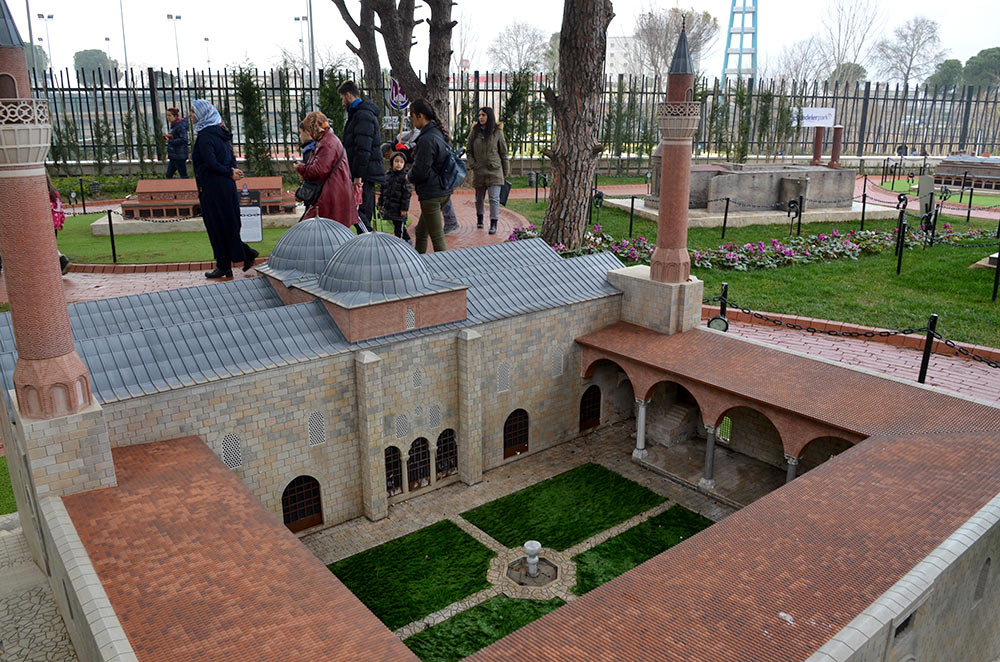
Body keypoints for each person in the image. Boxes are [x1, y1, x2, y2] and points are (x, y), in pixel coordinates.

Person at [190, 99, 258, 279]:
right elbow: (230, 159)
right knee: (227, 225)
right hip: (226, 186)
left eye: (193, 112)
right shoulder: (221, 133)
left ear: (202, 114)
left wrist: (228, 171)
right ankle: (231, 261)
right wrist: (232, 172)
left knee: (216, 226)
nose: (191, 115)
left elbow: (210, 162)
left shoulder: (205, 136)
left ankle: (231, 260)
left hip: (213, 188)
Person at [295, 111, 358, 229]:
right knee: (328, 232)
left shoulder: (327, 143)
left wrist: (301, 168)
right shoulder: (328, 140)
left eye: (310, 128)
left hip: (331, 195)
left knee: (311, 230)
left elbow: (318, 170)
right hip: (334, 193)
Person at [407, 98, 453, 254]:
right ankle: (419, 263)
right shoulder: (437, 132)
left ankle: (445, 271)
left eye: (411, 116)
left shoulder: (427, 139)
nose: (411, 120)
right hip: (442, 189)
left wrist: (409, 177)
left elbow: (421, 169)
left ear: (420, 116)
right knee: (421, 231)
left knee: (437, 239)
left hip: (432, 193)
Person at [338, 80, 384, 233]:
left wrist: (358, 176)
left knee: (359, 214)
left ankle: (369, 245)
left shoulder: (362, 115)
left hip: (363, 174)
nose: (342, 102)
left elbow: (363, 148)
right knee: (362, 213)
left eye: (342, 97)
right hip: (365, 172)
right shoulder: (359, 114)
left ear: (348, 95)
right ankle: (368, 246)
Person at [465, 106, 509, 235]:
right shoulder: (475, 131)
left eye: (483, 115)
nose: (481, 118)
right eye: (479, 115)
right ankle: (480, 219)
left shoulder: (497, 132)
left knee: (494, 198)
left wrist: (506, 170)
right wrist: (473, 164)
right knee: (479, 198)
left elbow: (503, 152)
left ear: (489, 116)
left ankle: (493, 223)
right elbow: (469, 150)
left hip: (494, 170)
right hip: (479, 171)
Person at [378, 152, 412, 244]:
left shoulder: (405, 178)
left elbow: (407, 195)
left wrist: (404, 208)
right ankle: (408, 239)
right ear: (392, 162)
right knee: (396, 224)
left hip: (399, 209)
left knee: (399, 228)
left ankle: (400, 244)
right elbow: (382, 191)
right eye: (396, 161)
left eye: (401, 162)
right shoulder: (388, 175)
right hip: (390, 207)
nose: (399, 164)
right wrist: (380, 203)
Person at [47, 174, 70, 275]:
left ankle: (63, 262)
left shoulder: (42, 195)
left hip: (46, 225)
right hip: (55, 224)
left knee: (48, 246)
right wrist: (61, 221)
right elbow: (60, 208)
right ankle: (60, 266)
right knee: (51, 245)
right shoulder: (54, 194)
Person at [163, 107, 189, 179]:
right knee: (169, 176)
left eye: (169, 115)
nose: (167, 117)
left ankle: (187, 188)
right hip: (174, 155)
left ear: (175, 116)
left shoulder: (180, 126)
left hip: (179, 155)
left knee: (183, 176)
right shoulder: (174, 125)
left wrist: (170, 141)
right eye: (167, 115)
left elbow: (184, 139)